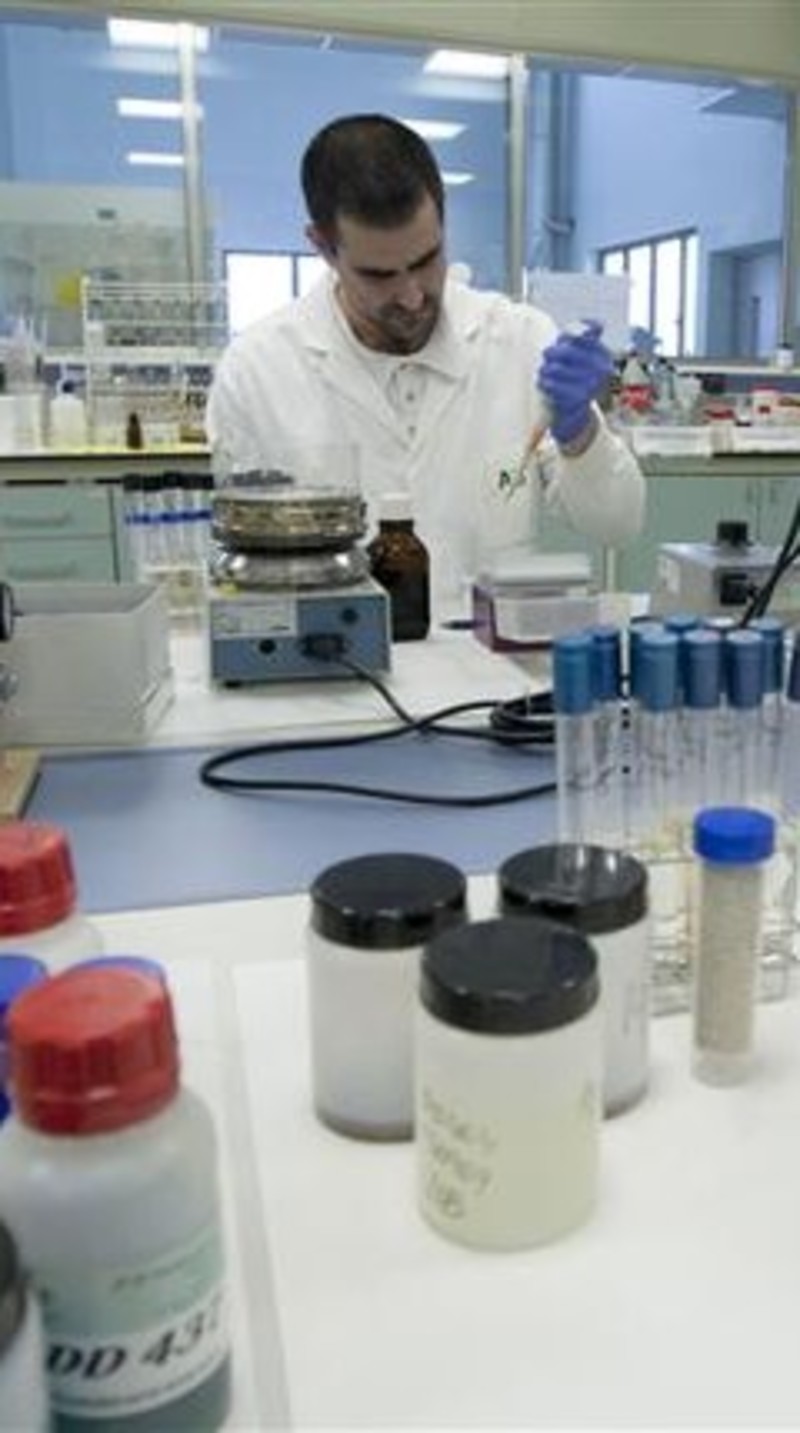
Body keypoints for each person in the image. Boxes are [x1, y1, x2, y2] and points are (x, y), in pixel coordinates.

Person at [207, 113, 645, 615]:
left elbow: (617, 524)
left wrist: (580, 432)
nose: (413, 296)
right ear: (323, 247)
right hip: (335, 655)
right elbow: (239, 570)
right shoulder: (258, 370)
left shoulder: (520, 340)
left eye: (426, 260)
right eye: (379, 275)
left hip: (490, 653)